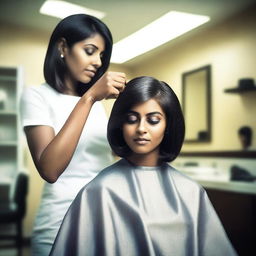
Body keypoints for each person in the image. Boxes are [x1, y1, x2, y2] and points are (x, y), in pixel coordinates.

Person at [49, 76, 237, 256]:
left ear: (168, 125)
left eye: (153, 120)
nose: (141, 128)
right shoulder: (99, 191)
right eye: (132, 119)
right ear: (120, 125)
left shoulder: (192, 192)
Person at [20, 14, 126, 255]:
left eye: (102, 55)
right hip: (59, 223)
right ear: (62, 47)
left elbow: (111, 158)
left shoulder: (96, 105)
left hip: (104, 220)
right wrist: (89, 98)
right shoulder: (37, 96)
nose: (98, 62)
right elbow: (50, 169)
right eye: (90, 51)